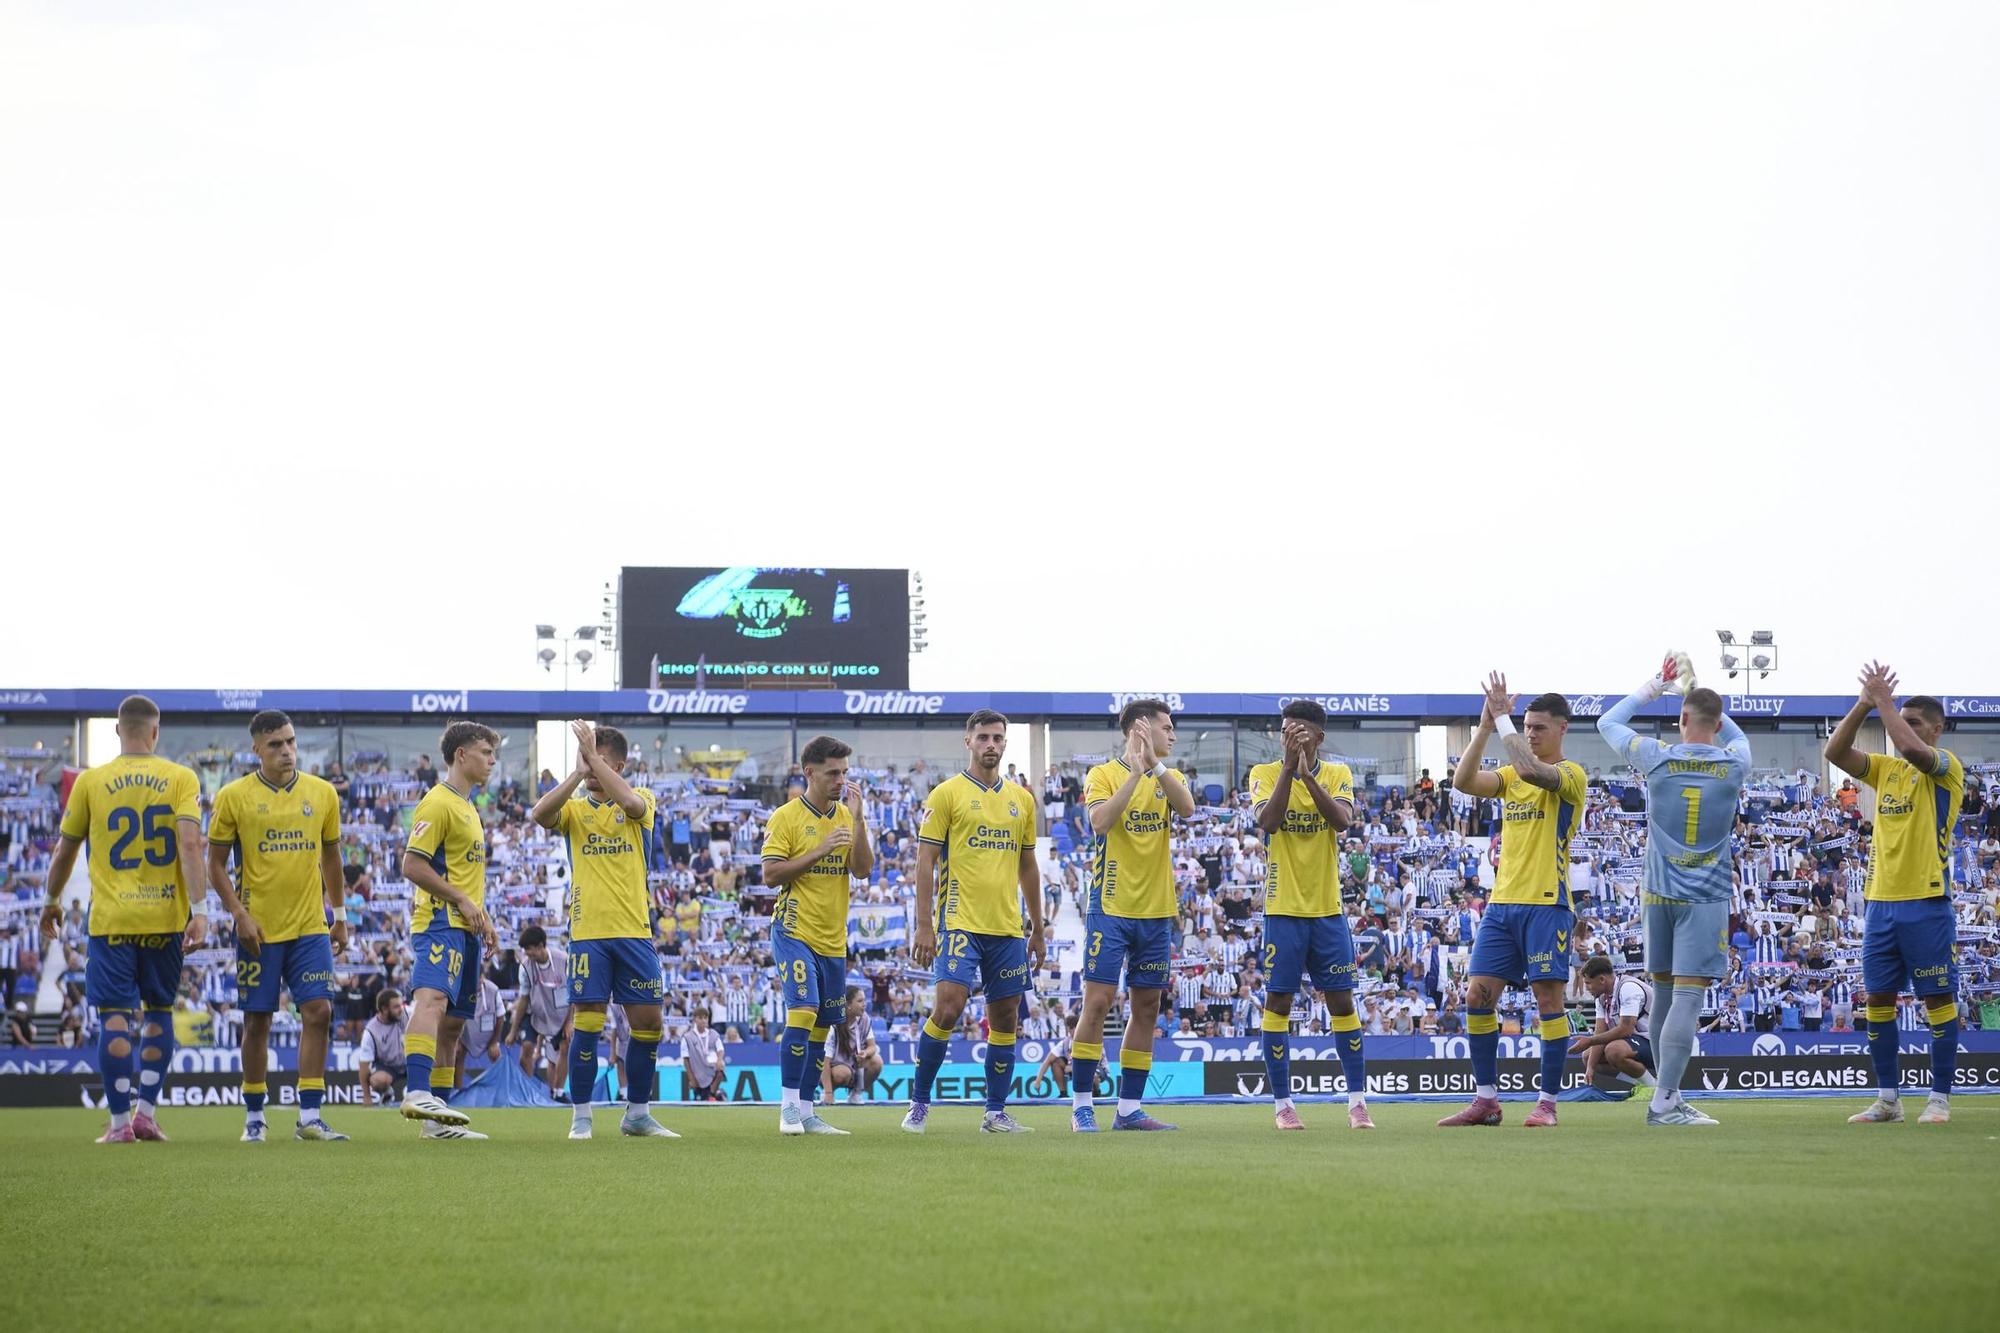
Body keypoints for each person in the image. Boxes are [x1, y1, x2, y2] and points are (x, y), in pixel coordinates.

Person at [39, 695, 206, 1143]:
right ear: (156, 732)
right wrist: (202, 910)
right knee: (158, 1011)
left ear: (117, 730)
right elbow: (191, 846)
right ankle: (146, 1114)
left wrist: (51, 900)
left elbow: (65, 850)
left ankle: (118, 1125)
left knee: (115, 1016)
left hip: (112, 920)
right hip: (166, 916)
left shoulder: (92, 782)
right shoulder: (180, 777)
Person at [1598, 664, 1749, 1127]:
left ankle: (1670, 1096)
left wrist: (1655, 687)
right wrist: (1696, 695)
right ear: (1717, 723)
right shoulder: (1734, 761)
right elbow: (1731, 731)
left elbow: (1608, 722)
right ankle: (1664, 1102)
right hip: (1704, 897)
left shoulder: (1657, 756)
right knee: (1688, 996)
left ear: (1682, 719)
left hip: (1658, 894)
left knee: (1662, 993)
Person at [1439, 676, 1587, 1128]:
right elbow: (1463, 782)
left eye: (1539, 727)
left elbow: (1529, 770)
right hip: (1501, 906)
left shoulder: (1568, 775)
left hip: (1547, 904)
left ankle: (1547, 1103)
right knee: (1477, 997)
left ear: (1563, 728)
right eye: (1526, 726)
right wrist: (1484, 726)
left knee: (1548, 1002)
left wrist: (1502, 716)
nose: (1530, 733)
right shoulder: (1509, 778)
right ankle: (1486, 1100)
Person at [1825, 665, 1965, 1125]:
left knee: (1936, 1002)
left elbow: (1909, 746)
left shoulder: (1945, 768)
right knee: (1878, 1002)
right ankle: (1889, 1100)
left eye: (1916, 720)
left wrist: (1884, 701)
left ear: (1937, 729)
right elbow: (1834, 751)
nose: (1904, 726)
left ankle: (1939, 1101)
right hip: (1881, 904)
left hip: (1926, 902)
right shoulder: (1885, 770)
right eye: (1902, 717)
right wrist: (1865, 702)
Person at [205, 709, 350, 1144]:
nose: (286, 751)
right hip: (259, 930)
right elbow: (214, 864)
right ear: (256, 749)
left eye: (290, 742)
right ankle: (254, 1115)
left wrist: (339, 916)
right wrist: (239, 914)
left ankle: (309, 1116)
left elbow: (331, 858)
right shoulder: (233, 797)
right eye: (275, 745)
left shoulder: (323, 794)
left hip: (309, 925)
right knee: (257, 1021)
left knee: (319, 1012)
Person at [530, 720, 674, 1139]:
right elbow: (540, 814)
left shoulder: (641, 799)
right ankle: (581, 1117)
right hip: (589, 933)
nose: (592, 770)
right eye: (586, 761)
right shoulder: (573, 810)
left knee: (649, 1025)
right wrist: (578, 770)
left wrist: (592, 758)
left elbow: (629, 803)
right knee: (588, 1025)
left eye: (600, 762)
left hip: (634, 930)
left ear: (621, 765)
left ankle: (638, 1114)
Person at [903, 709, 1044, 1133]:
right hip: (958, 922)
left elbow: (1028, 866)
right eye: (983, 737)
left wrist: (1036, 927)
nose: (991, 745)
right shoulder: (946, 794)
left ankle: (995, 1113)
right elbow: (924, 860)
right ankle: (919, 1103)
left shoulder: (1022, 799)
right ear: (968, 742)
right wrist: (924, 924)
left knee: (1005, 1020)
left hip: (1006, 928)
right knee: (948, 1008)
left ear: (1005, 743)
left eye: (998, 738)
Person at [1071, 700, 1196, 1132]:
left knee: (1146, 1007)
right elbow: (1101, 822)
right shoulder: (1102, 775)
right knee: (1099, 1003)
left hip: (1157, 911)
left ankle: (1128, 1110)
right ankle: (1082, 1105)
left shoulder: (1171, 777)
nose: (1173, 735)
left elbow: (1188, 809)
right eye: (1167, 727)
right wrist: (1136, 773)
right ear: (1140, 729)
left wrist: (1154, 769)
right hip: (1111, 908)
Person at [1249, 700, 1366, 1131]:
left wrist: (1307, 775)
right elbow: (1271, 822)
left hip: (1327, 910)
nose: (1288, 737)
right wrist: (1287, 768)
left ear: (1317, 736)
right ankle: (1283, 1105)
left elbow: (1340, 821)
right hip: (1282, 909)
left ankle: (1356, 1103)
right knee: (1278, 1001)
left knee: (1341, 1001)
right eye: (1283, 730)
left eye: (1297, 732)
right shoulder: (1263, 774)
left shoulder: (1338, 775)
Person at [761, 734, 872, 1136]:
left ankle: (807, 1111)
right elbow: (771, 875)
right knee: (803, 1012)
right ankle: (788, 1107)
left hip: (832, 938)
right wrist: (820, 850)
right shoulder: (786, 817)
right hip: (794, 930)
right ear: (810, 772)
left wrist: (859, 821)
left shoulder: (847, 816)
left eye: (844, 772)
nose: (840, 780)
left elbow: (861, 870)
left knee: (822, 1027)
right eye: (832, 773)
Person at [397, 721, 503, 1140]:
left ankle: (435, 1122)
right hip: (439, 921)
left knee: (455, 1025)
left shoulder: (468, 808)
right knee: (432, 1000)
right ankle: (417, 1091)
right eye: (485, 752)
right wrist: (459, 900)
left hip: (466, 928)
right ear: (461, 755)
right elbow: (412, 865)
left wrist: (483, 915)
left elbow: (463, 876)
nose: (492, 760)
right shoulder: (438, 802)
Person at [1572, 956, 1658, 1094]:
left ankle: (1653, 1088)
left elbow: (1625, 1029)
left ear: (1601, 979)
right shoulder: (1601, 998)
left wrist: (1589, 1041)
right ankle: (1643, 1085)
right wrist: (1590, 1068)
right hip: (1639, 1043)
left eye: (1588, 983)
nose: (1587, 988)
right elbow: (1599, 1032)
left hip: (1659, 1044)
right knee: (1589, 1057)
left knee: (1614, 1050)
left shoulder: (1628, 988)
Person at [824, 986, 882, 1105]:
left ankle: (856, 1094)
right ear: (848, 1005)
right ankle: (828, 1093)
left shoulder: (865, 1019)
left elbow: (873, 1047)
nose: (864, 1004)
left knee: (877, 1061)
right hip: (834, 1068)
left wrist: (865, 1053)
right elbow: (824, 1062)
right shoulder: (833, 1025)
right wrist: (828, 1093)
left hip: (855, 1064)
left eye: (864, 1000)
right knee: (842, 1074)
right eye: (860, 1001)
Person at [357, 989, 409, 1105]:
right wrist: (367, 1097)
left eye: (400, 1005)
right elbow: (364, 1065)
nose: (400, 1009)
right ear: (384, 1009)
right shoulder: (371, 1031)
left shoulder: (407, 1014)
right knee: (378, 1081)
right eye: (396, 1007)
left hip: (410, 1062)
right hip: (388, 1067)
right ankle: (387, 1093)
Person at [682, 1007, 727, 1101]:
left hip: (711, 1069)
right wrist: (691, 1078)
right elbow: (686, 1060)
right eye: (700, 1018)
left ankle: (712, 1094)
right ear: (695, 1019)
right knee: (700, 1098)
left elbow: (720, 1049)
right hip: (697, 1072)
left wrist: (719, 1059)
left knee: (721, 1069)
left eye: (705, 1018)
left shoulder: (713, 1034)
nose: (703, 1021)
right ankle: (713, 1094)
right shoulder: (687, 1037)